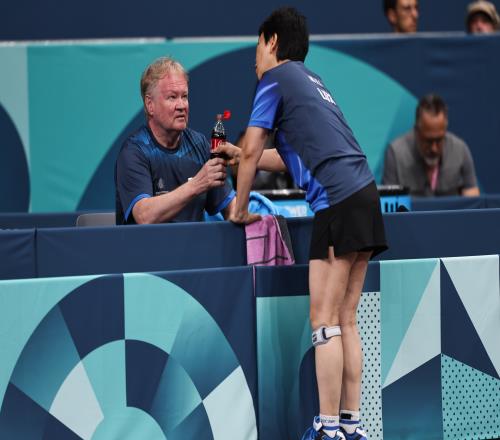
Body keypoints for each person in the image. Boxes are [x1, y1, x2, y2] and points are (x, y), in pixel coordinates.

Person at [219, 7, 387, 440]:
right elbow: (289, 156)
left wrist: (240, 208)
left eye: (258, 46)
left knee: (324, 321)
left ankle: (327, 429)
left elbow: (252, 149)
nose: (255, 58)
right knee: (346, 319)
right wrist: (241, 157)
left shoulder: (273, 79)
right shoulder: (310, 80)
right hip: (365, 196)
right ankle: (351, 426)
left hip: (337, 202)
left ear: (272, 41)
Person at [115, 57, 235, 224]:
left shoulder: (199, 144)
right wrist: (196, 185)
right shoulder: (135, 151)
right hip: (148, 242)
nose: (181, 105)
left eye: (184, 96)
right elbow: (144, 215)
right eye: (172, 97)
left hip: (195, 242)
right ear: (150, 105)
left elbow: (232, 210)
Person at [382, 94, 480, 197]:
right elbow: (389, 202)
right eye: (428, 141)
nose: (434, 148)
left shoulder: (461, 151)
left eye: (439, 140)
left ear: (445, 129)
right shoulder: (395, 154)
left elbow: (472, 199)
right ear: (416, 130)